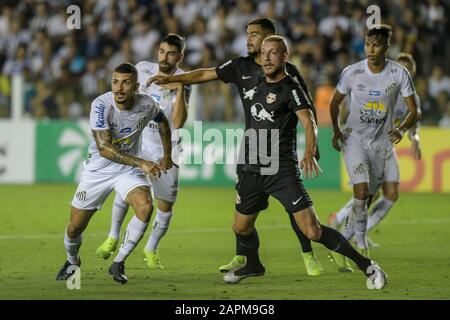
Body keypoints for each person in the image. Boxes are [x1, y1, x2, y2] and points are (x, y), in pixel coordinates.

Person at [148, 18, 324, 277]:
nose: (249, 38)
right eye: (247, 33)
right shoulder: (239, 66)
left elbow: (306, 108)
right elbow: (205, 74)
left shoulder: (288, 71)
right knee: (242, 209)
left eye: (255, 34)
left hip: (280, 152)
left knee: (294, 207)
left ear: (269, 38)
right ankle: (242, 257)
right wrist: (173, 78)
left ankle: (307, 253)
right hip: (252, 151)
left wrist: (313, 146)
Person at [221, 35, 387, 289]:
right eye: (264, 52)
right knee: (241, 227)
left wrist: (310, 151)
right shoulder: (255, 82)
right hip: (252, 169)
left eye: (273, 52)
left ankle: (369, 267)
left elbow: (309, 121)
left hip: (281, 170)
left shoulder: (291, 88)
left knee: (313, 231)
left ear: (285, 56)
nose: (266, 57)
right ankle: (254, 265)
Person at [56, 63, 173, 284]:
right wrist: (142, 162)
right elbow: (104, 148)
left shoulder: (147, 104)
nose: (119, 88)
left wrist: (167, 155)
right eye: (115, 82)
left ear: (136, 86)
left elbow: (163, 122)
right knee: (74, 228)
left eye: (126, 82)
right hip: (98, 170)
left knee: (146, 207)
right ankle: (72, 262)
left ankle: (118, 262)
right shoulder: (101, 105)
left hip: (128, 170)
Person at [328, 25, 421, 270]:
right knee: (360, 192)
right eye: (368, 44)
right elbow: (335, 102)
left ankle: (342, 242)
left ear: (387, 47)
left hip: (381, 145)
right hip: (354, 140)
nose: (371, 49)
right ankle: (361, 245)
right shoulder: (352, 72)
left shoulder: (399, 74)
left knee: (367, 197)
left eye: (377, 44)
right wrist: (338, 129)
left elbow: (415, 110)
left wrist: (401, 129)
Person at [95, 34, 189, 270]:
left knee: (165, 206)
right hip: (139, 144)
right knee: (126, 192)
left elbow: (177, 123)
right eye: (161, 51)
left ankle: (151, 248)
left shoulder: (184, 80)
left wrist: (179, 88)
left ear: (180, 56)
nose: (164, 57)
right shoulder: (143, 69)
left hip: (168, 149)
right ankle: (113, 237)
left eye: (170, 53)